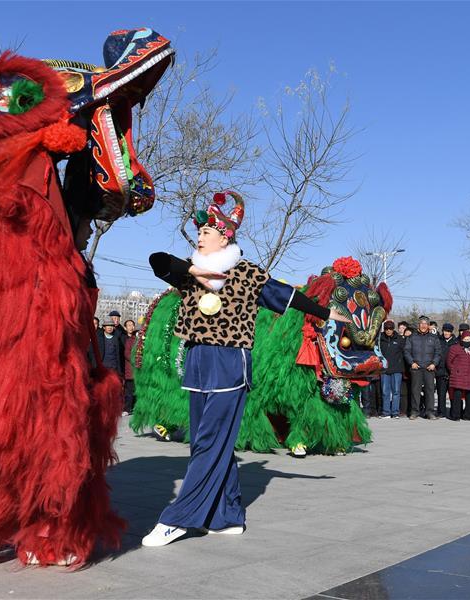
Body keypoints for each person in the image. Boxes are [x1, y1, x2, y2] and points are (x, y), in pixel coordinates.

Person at [140, 191, 347, 546]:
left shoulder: (247, 273)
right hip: (197, 362)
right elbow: (157, 260)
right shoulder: (190, 273)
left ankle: (179, 518)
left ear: (225, 235)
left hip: (229, 363)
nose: (200, 236)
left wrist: (327, 313)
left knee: (209, 441)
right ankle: (227, 515)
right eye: (200, 232)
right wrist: (193, 270)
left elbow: (288, 296)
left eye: (206, 232)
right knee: (208, 443)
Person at [404, 316, 441, 420]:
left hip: (429, 368)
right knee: (415, 391)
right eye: (422, 323)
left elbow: (438, 353)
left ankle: (430, 412)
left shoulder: (434, 338)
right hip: (416, 368)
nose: (423, 325)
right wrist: (412, 363)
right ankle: (415, 411)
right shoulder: (412, 337)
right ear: (418, 325)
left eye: (425, 324)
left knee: (430, 391)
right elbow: (406, 351)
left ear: (428, 326)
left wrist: (434, 363)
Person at [447, 329, 470, 420]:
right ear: (461, 339)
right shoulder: (455, 348)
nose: (467, 341)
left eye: (468, 339)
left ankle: (468, 415)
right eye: (465, 339)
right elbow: (449, 362)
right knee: (457, 396)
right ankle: (455, 415)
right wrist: (454, 370)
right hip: (458, 376)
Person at [379, 320, 405, 419]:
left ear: (393, 329)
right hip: (384, 370)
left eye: (390, 329)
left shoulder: (399, 339)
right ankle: (386, 412)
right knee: (385, 392)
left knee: (396, 391)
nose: (388, 331)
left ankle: (395, 412)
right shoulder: (380, 339)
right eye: (386, 329)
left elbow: (404, 352)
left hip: (397, 369)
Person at [436, 323, 458, 419]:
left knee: (453, 394)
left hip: (452, 372)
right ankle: (441, 412)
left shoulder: (456, 342)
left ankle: (454, 412)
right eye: (445, 331)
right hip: (440, 371)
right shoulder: (438, 341)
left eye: (448, 331)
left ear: (451, 332)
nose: (446, 333)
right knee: (441, 393)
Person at [123, 319, 138, 415]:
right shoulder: (129, 341)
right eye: (129, 325)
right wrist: (136, 360)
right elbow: (127, 354)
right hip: (130, 371)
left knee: (137, 392)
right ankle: (127, 409)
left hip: (139, 372)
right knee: (129, 392)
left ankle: (136, 409)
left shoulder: (142, 342)